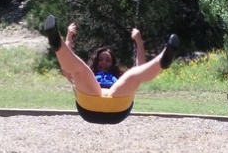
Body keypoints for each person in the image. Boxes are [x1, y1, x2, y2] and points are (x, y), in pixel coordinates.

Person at [44, 14, 180, 124]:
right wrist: (69, 37)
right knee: (81, 69)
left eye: (107, 60)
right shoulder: (89, 76)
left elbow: (140, 68)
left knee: (133, 74)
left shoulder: (118, 77)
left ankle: (163, 60)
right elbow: (67, 70)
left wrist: (138, 41)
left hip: (117, 106)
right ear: (96, 61)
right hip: (90, 104)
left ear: (113, 63)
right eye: (101, 59)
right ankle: (57, 43)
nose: (104, 62)